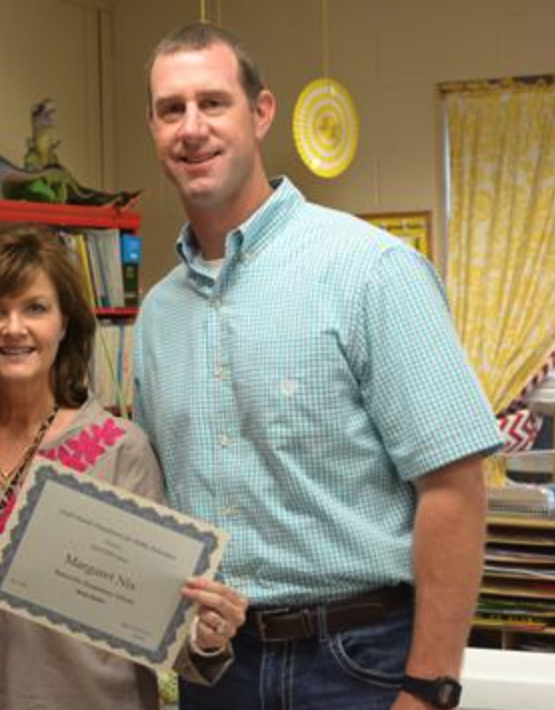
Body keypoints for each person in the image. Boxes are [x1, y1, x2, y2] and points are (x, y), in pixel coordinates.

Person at [135, 22, 503, 710]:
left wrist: (430, 689)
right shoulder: (156, 316)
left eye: (213, 103)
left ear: (261, 113)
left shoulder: (370, 272)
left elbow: (455, 487)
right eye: (170, 109)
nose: (191, 127)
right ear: (152, 127)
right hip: (217, 670)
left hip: (359, 664)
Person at [0, 226, 248, 710]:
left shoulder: (120, 451)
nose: (14, 328)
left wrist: (207, 633)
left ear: (64, 323)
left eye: (35, 307)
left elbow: (164, 625)